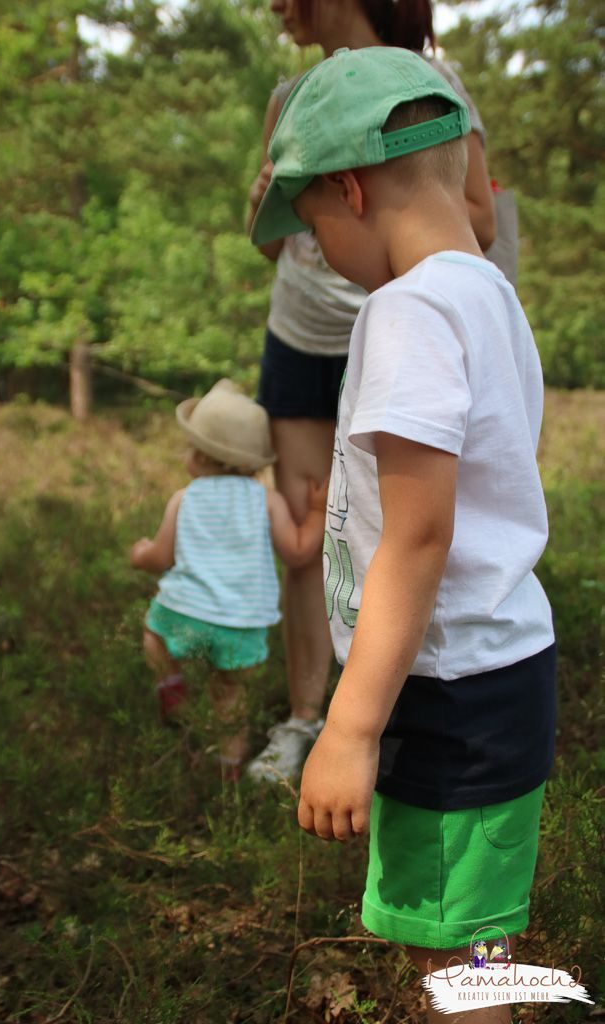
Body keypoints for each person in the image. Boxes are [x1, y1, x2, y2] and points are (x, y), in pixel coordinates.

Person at [250, 47, 556, 1023]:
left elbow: (417, 539)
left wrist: (346, 726)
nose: (318, 255)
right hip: (492, 668)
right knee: (474, 942)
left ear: (347, 187)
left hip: (446, 688)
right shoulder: (487, 294)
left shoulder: (405, 310)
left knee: (468, 976)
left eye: (309, 231)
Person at [245, 0, 496, 783]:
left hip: (396, 342)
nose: (277, 7)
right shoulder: (290, 97)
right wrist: (269, 200)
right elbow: (270, 242)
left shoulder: (433, 87)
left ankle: (382, 711)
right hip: (303, 337)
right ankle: (308, 718)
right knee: (316, 527)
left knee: (403, 526)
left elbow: (477, 219)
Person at [130, 379, 327, 781]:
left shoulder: (185, 499)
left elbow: (161, 557)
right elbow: (298, 552)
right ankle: (229, 769)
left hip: (185, 616)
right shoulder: (267, 500)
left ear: (201, 456)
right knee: (230, 696)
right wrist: (320, 513)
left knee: (153, 634)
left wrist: (140, 553)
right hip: (242, 627)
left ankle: (171, 685)